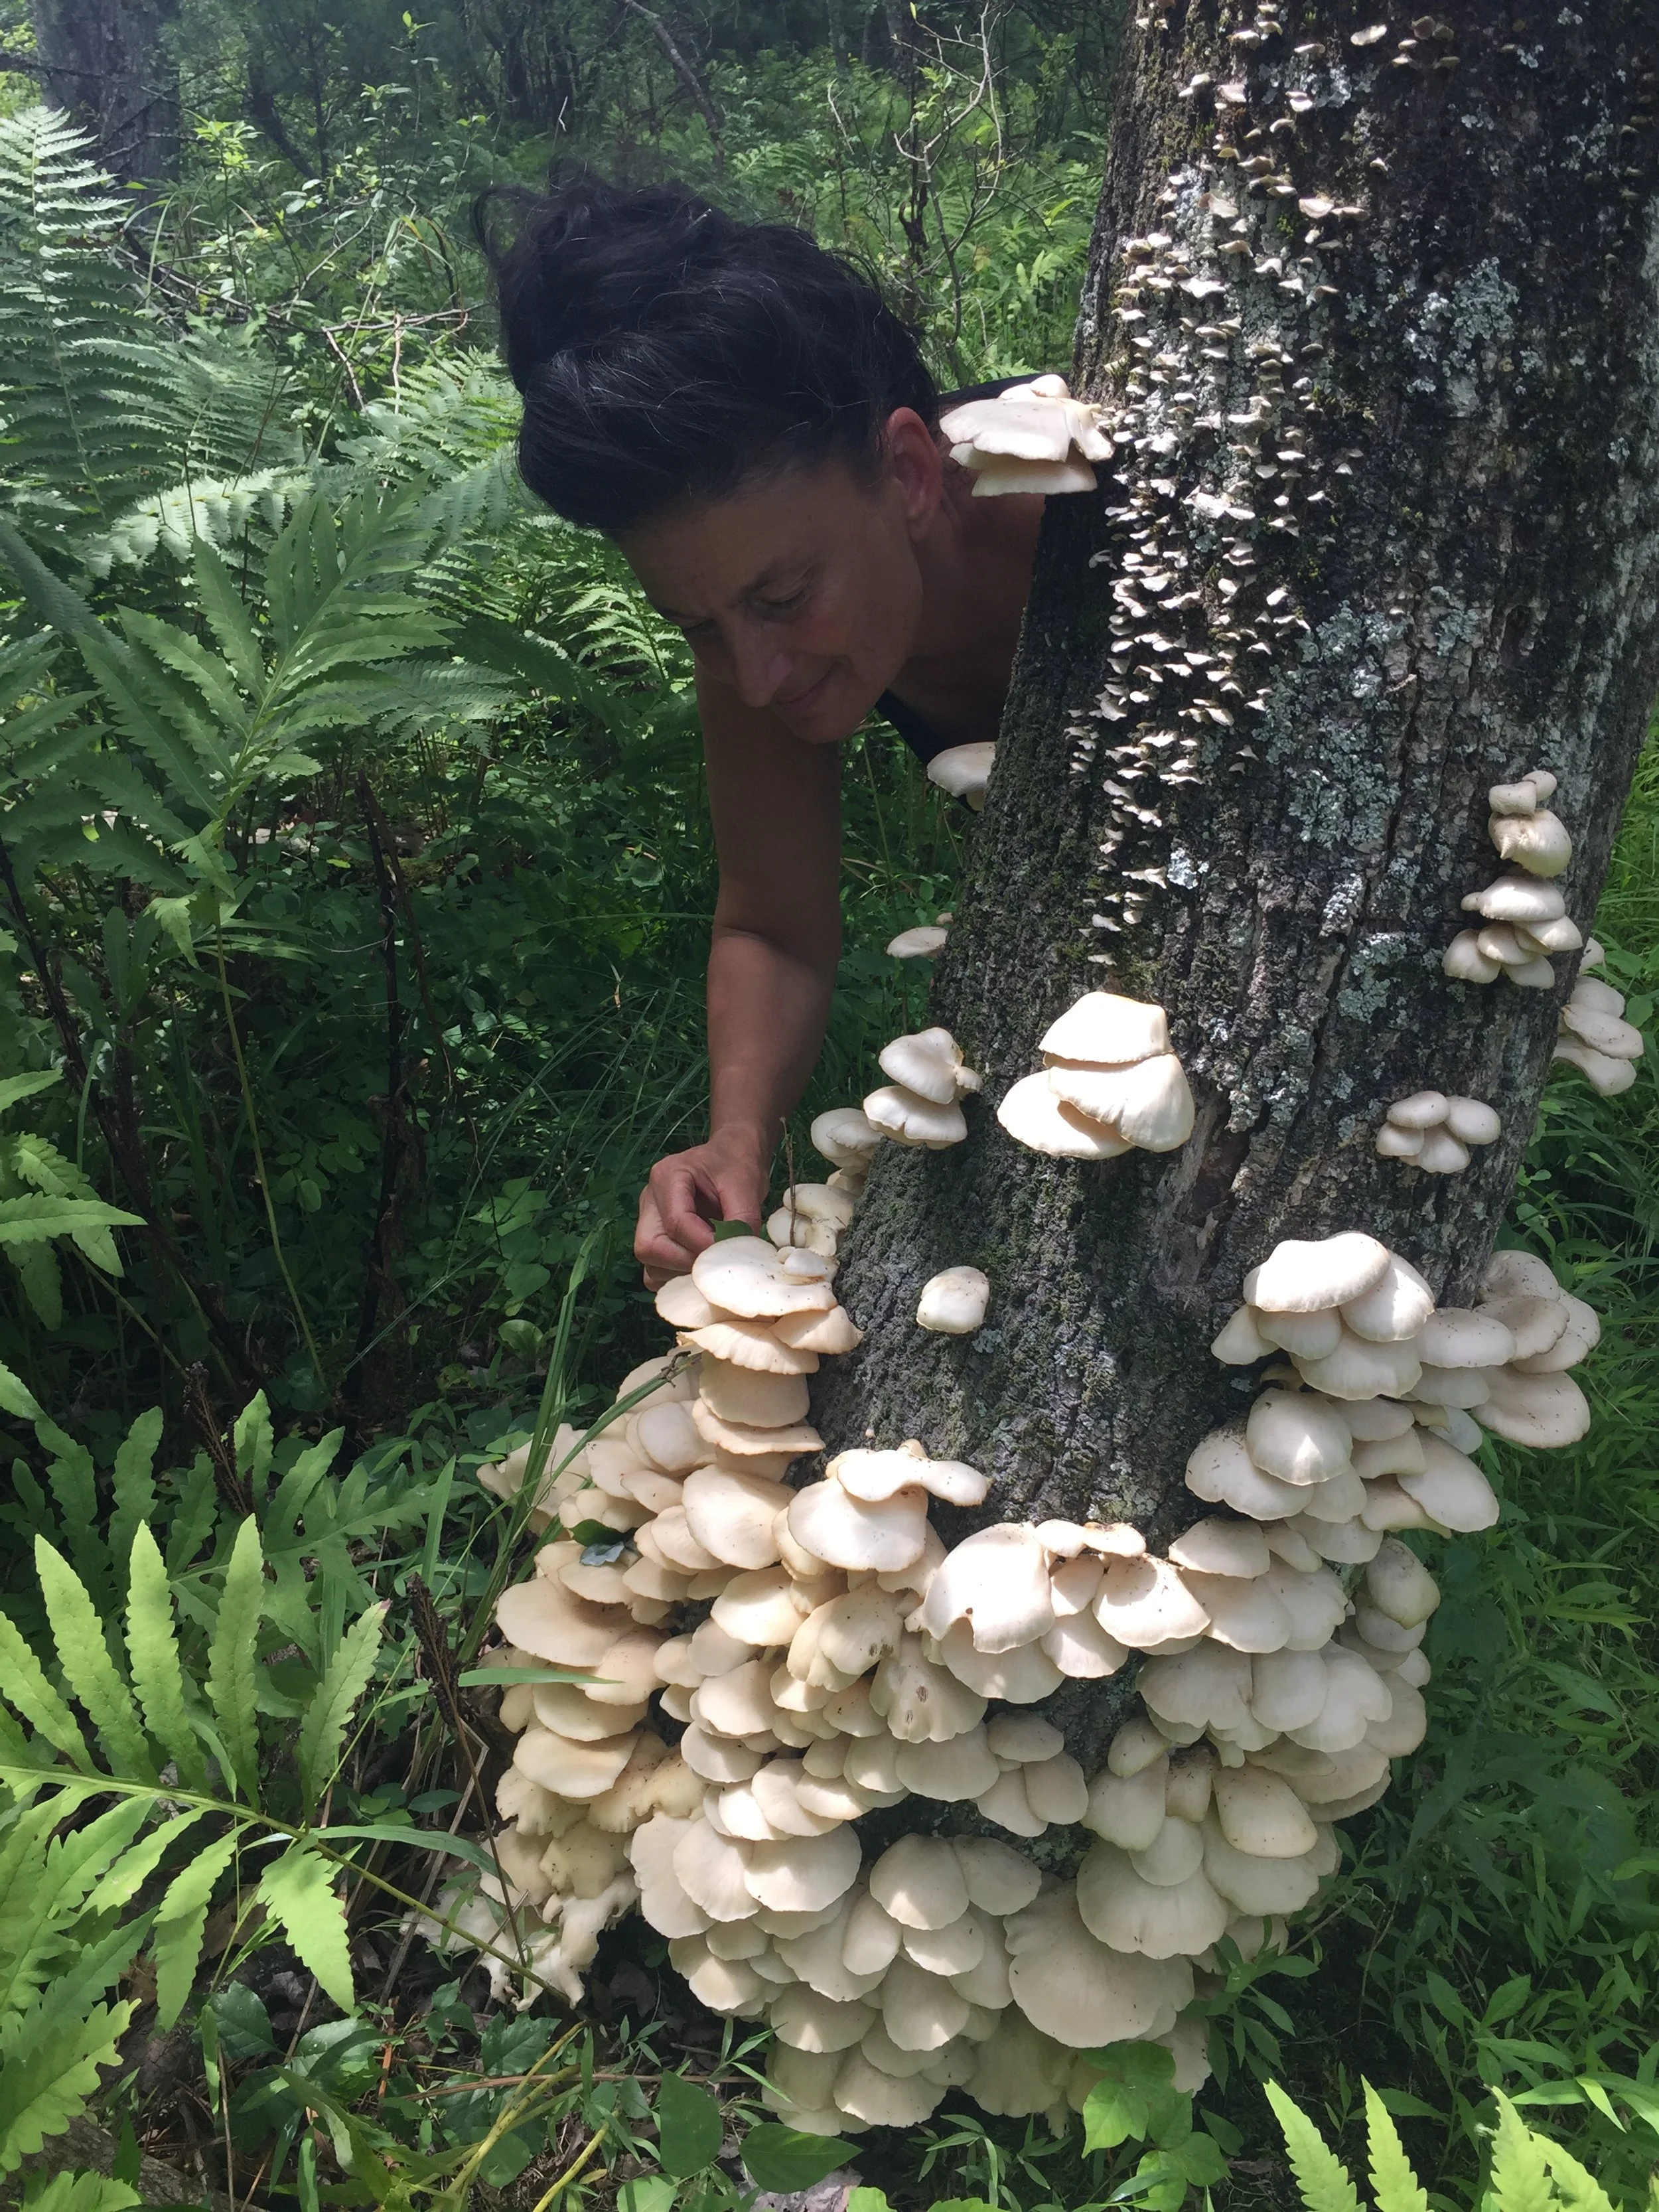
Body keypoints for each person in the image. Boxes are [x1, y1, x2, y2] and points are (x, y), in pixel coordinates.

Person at [484, 179, 1048, 1284]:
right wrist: (735, 1138)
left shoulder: (1078, 511)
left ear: (909, 472)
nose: (751, 677)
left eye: (783, 597)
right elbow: (774, 924)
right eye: (697, 627)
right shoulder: (762, 649)